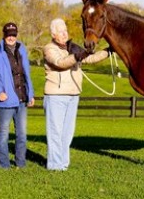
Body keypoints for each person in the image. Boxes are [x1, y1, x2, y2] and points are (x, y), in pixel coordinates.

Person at [43, 18, 109, 171]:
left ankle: (63, 164)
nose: (64, 34)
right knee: (55, 133)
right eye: (61, 32)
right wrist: (78, 55)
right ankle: (54, 166)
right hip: (56, 96)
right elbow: (60, 63)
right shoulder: (49, 49)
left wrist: (108, 51)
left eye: (65, 31)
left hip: (73, 95)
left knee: (67, 133)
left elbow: (90, 58)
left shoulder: (72, 47)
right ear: (53, 34)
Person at [0, 22, 35, 169]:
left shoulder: (22, 50)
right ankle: (4, 165)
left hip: (22, 99)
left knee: (22, 134)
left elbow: (26, 74)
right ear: (4, 35)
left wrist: (30, 94)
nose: (11, 37)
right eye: (8, 35)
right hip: (5, 102)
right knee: (4, 134)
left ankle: (21, 163)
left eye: (13, 34)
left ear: (16, 35)